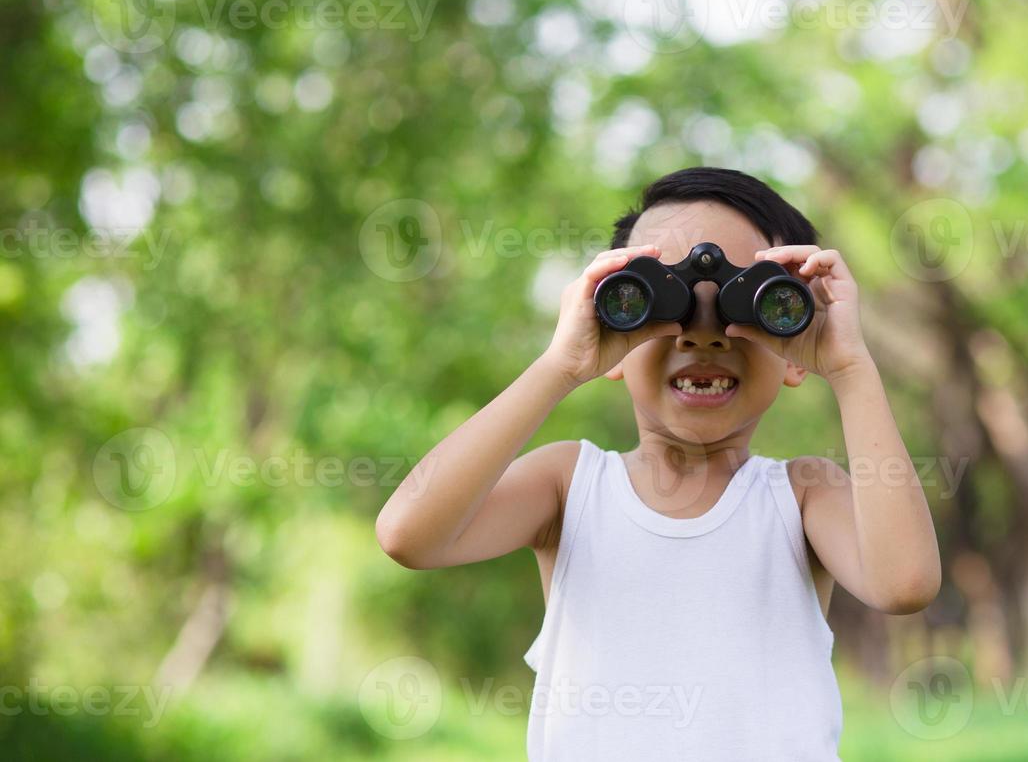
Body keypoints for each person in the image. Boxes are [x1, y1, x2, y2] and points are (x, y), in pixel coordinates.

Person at [375, 166, 941, 761]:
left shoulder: (801, 495)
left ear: (795, 342)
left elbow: (903, 584)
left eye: (740, 304)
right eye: (655, 304)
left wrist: (850, 369)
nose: (702, 336)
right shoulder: (568, 485)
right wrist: (558, 366)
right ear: (611, 329)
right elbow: (409, 535)